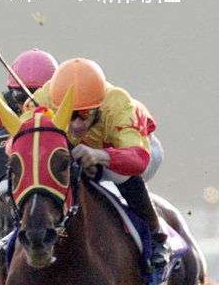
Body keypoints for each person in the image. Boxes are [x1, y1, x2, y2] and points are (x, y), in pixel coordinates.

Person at [31, 57, 167, 269]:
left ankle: (156, 236)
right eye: (69, 114)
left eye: (85, 115)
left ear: (99, 109)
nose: (76, 124)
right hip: (81, 153)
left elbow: (138, 160)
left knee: (119, 174)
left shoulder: (118, 104)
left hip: (139, 153)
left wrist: (99, 156)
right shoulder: (41, 99)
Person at [0, 49, 57, 188]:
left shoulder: (64, 107)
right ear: (10, 90)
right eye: (21, 96)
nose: (29, 103)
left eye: (39, 95)